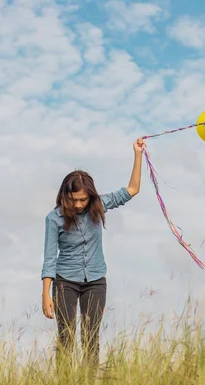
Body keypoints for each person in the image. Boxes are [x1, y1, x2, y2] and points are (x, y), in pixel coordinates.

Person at [40, 137, 146, 371]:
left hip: (96, 281)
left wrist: (137, 154)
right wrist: (46, 294)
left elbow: (133, 189)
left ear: (90, 196)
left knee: (90, 339)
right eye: (73, 200)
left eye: (82, 199)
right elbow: (49, 259)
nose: (78, 205)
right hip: (65, 281)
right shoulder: (53, 218)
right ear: (65, 196)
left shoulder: (99, 206)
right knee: (66, 338)